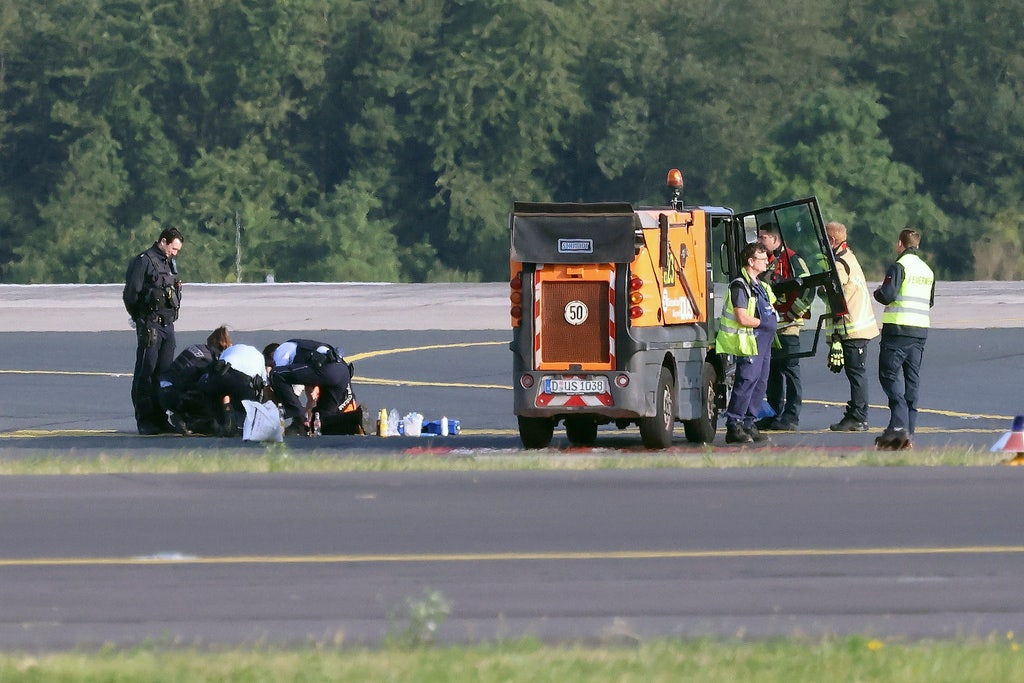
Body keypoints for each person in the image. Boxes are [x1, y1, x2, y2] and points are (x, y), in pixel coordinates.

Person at [873, 228, 935, 450]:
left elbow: (888, 295)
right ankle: (907, 431)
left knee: (888, 375)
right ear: (917, 245)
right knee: (912, 382)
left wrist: (878, 292)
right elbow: (929, 302)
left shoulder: (899, 266)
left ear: (900, 244)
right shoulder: (927, 271)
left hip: (898, 330)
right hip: (919, 332)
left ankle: (899, 425)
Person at [123, 227, 184, 434]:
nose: (175, 252)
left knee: (164, 374)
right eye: (173, 248)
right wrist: (140, 320)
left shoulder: (168, 263)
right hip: (150, 325)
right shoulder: (144, 261)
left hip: (168, 326)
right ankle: (145, 420)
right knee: (145, 374)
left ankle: (160, 418)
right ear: (164, 241)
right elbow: (131, 294)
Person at [716, 242, 779, 444]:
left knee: (760, 383)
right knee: (746, 382)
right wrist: (764, 323)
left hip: (764, 342)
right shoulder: (740, 286)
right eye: (762, 259)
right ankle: (734, 425)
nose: (767, 263)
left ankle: (749, 423)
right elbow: (742, 317)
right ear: (751, 261)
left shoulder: (760, 286)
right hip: (750, 341)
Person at [824, 222, 880, 432]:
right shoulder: (849, 257)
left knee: (856, 374)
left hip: (853, 329)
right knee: (856, 373)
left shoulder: (840, 263)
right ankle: (857, 413)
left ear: (832, 240)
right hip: (856, 328)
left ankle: (858, 416)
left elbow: (834, 293)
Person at [757, 222, 812, 431]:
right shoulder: (766, 261)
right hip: (770, 327)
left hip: (789, 328)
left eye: (763, 238)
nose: (760, 242)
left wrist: (792, 313)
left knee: (790, 371)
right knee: (772, 373)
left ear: (774, 239)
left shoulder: (794, 260)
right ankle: (773, 413)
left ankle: (791, 416)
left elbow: (808, 289)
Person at [267, 339, 361, 435]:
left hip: (326, 369)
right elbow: (306, 386)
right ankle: (356, 420)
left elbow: (282, 379)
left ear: (270, 357)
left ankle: (298, 420)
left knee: (275, 374)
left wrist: (296, 412)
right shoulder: (303, 351)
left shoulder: (280, 351)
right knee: (320, 422)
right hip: (342, 371)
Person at [158, 325, 232, 435]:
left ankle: (184, 416)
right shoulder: (208, 360)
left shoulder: (198, 348)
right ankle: (188, 422)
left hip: (163, 391)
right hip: (176, 395)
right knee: (211, 401)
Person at [196, 342, 268, 436]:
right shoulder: (260, 358)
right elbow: (263, 386)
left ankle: (218, 422)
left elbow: (217, 367)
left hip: (221, 374)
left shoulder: (229, 350)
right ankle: (239, 425)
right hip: (244, 383)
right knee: (245, 407)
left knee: (211, 392)